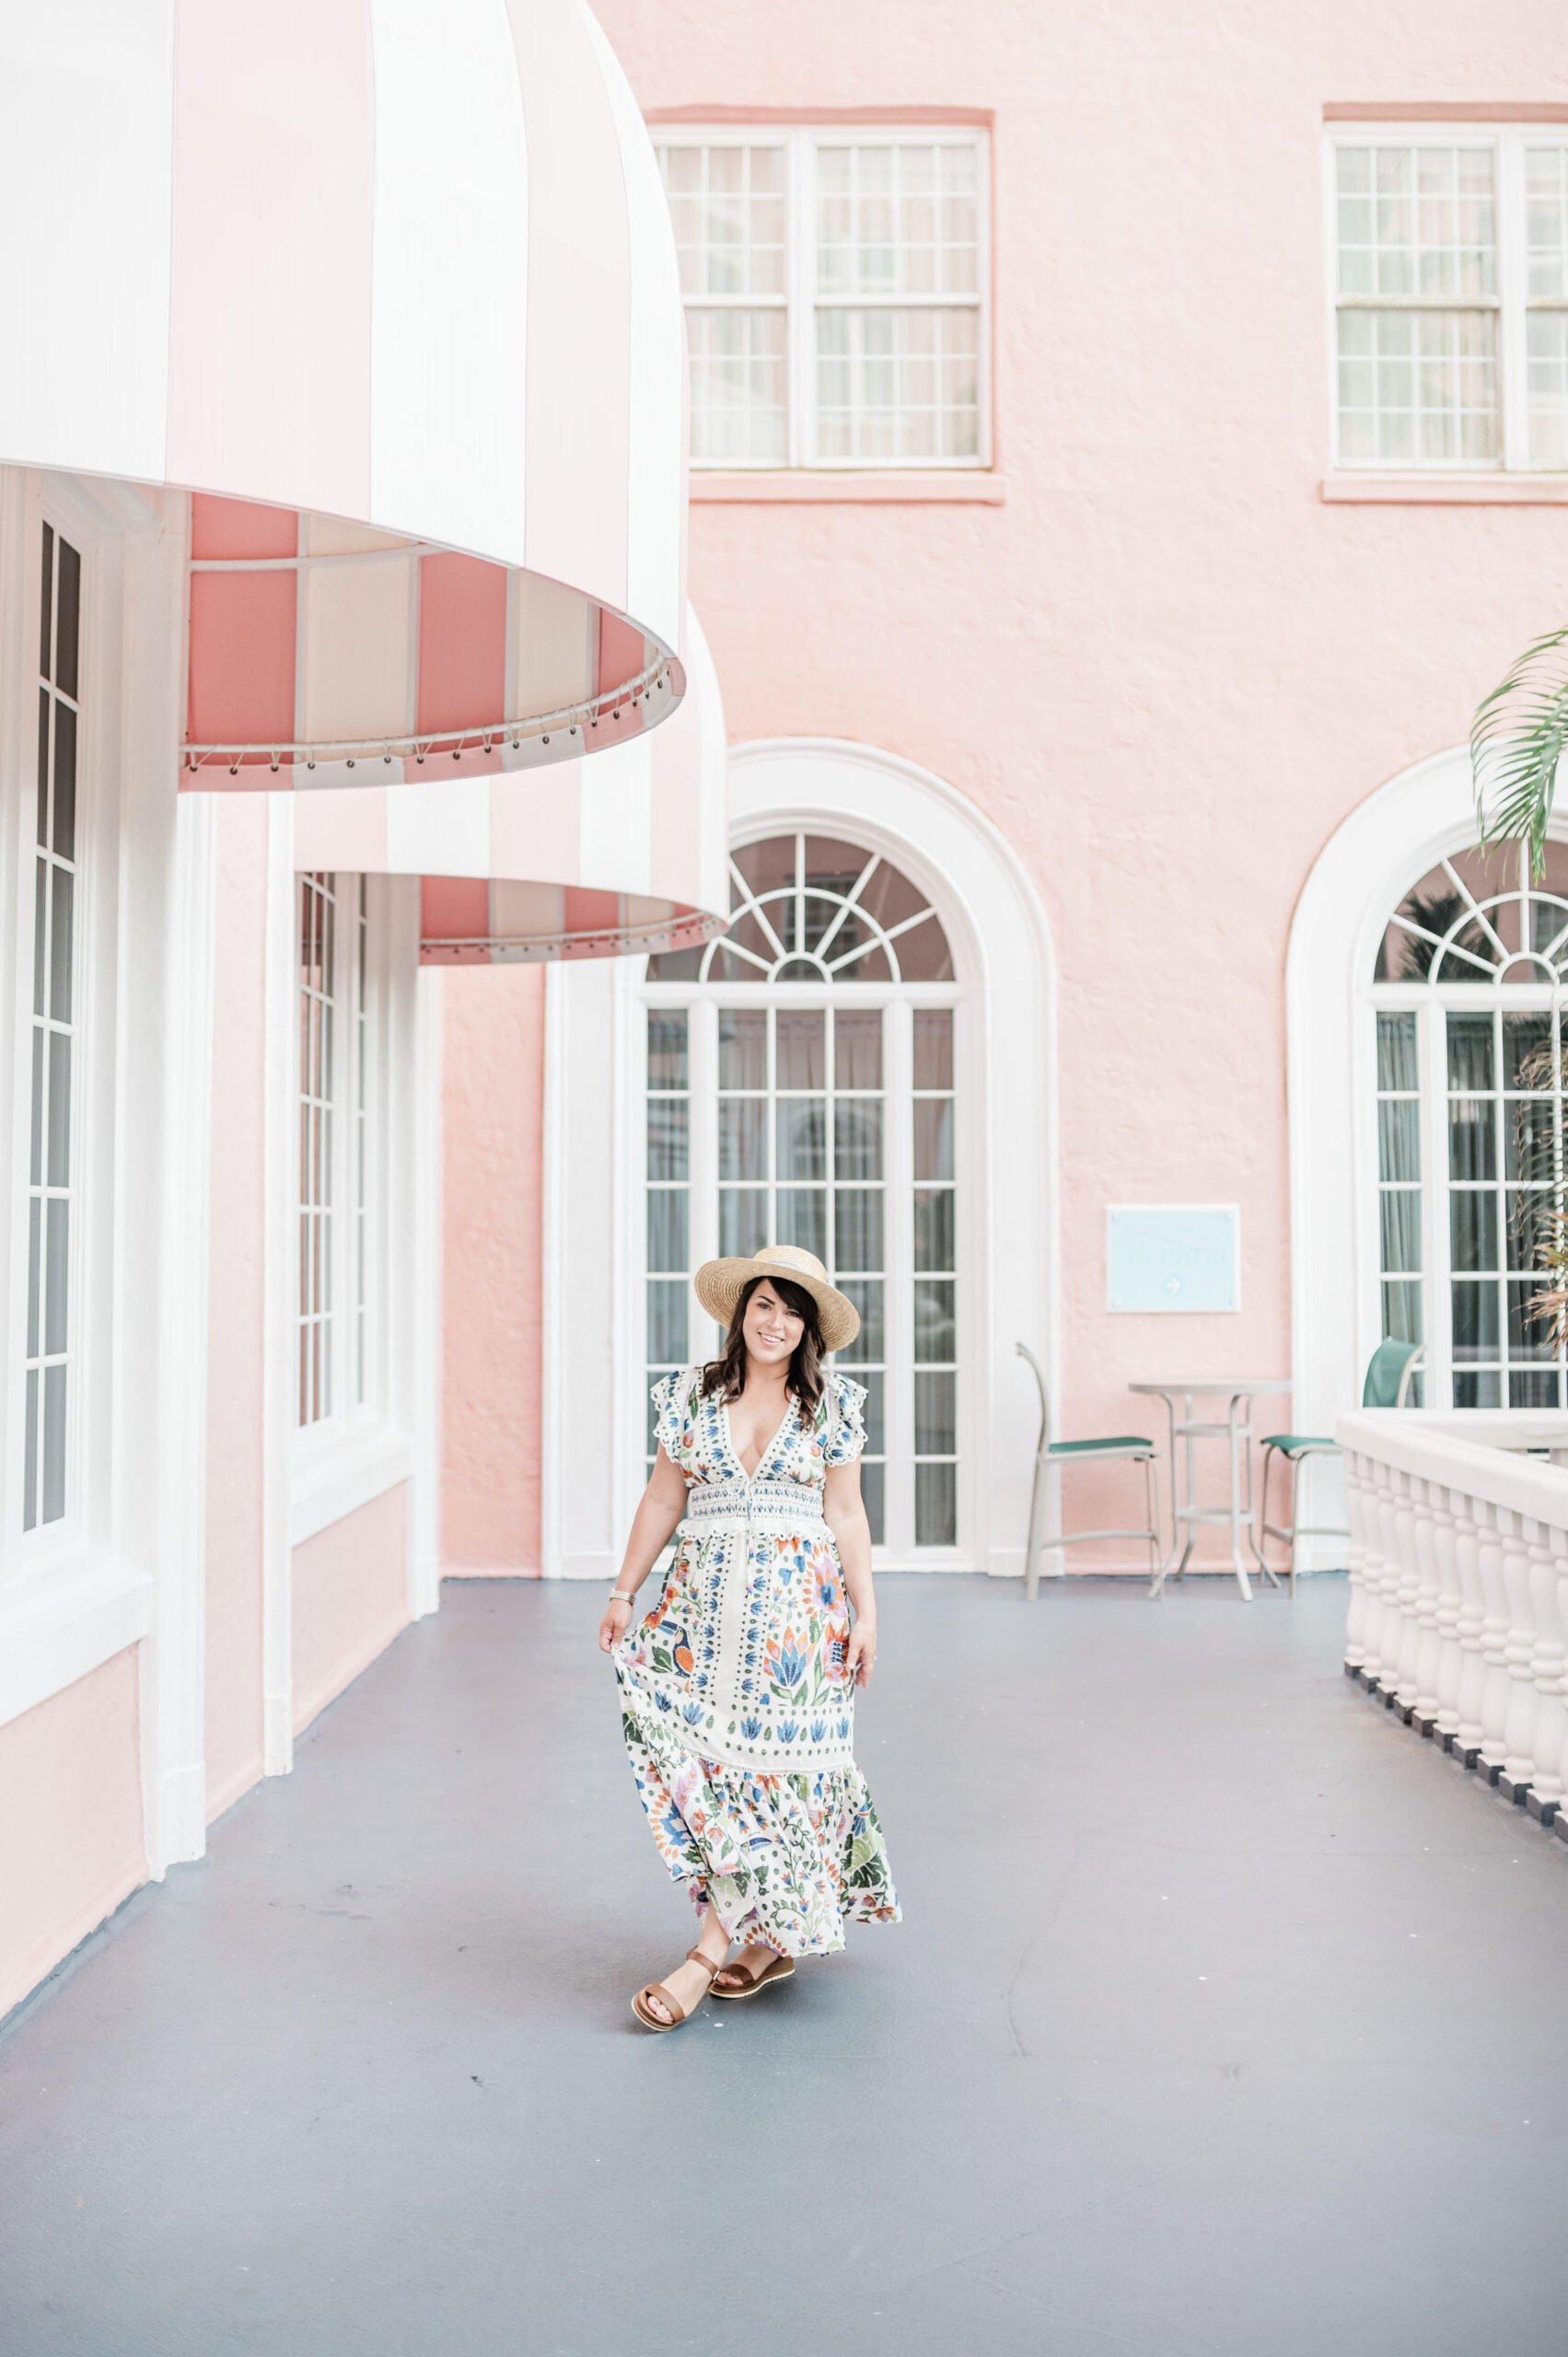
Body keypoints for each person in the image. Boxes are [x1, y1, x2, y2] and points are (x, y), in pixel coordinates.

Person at [598, 1244, 900, 2031]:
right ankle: (763, 1940)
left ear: (810, 1330)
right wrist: (624, 1591)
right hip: (699, 1621)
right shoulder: (688, 1396)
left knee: (784, 1782)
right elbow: (663, 1500)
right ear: (741, 1312)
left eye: (792, 1311)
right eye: (764, 1304)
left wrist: (867, 1614)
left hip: (798, 1633)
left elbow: (845, 1515)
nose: (776, 1322)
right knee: (712, 1771)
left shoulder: (832, 1405)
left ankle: (704, 1956)